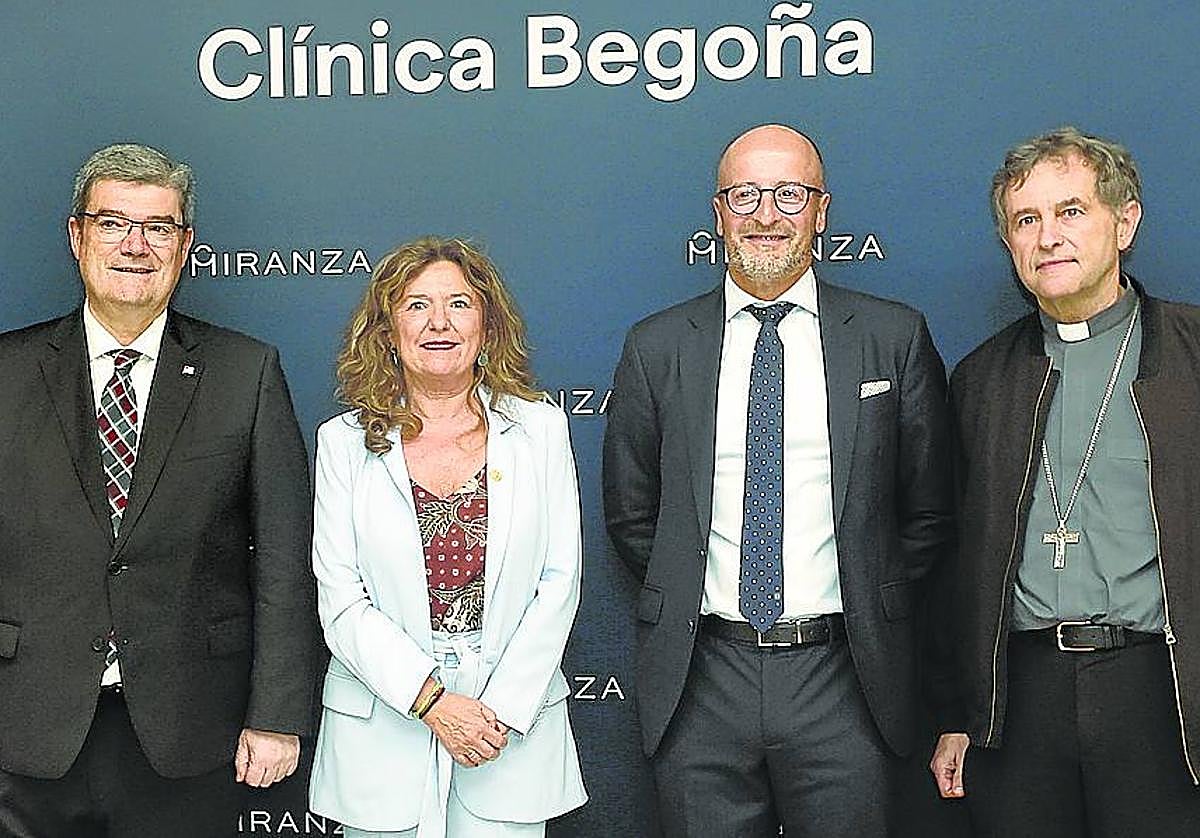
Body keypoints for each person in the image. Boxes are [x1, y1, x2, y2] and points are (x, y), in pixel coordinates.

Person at [602, 124, 954, 837]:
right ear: (718, 213)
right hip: (702, 681)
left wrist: (866, 591)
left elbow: (928, 512)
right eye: (746, 195)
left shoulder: (892, 337)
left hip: (846, 678)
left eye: (789, 194)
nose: (766, 215)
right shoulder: (657, 346)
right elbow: (633, 516)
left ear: (822, 212)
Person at [0, 143, 321, 837]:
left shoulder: (245, 372)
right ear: (77, 235)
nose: (135, 245)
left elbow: (285, 559)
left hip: (186, 730)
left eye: (158, 227)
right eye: (113, 223)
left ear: (185, 246)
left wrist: (276, 714)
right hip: (23, 729)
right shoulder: (7, 372)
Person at [929, 127, 1200, 837]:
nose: (1048, 237)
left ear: (1125, 222)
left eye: (1070, 211)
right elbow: (953, 560)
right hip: (1020, 702)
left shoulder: (1192, 355)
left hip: (1162, 690)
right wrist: (957, 713)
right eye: (1027, 220)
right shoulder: (980, 380)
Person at [307, 237, 587, 837]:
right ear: (388, 331)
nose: (439, 322)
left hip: (506, 730)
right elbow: (342, 599)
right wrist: (430, 700)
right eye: (417, 305)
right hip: (383, 729)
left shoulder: (540, 431)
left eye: (459, 304)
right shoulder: (343, 443)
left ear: (487, 325)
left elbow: (559, 582)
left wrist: (498, 711)